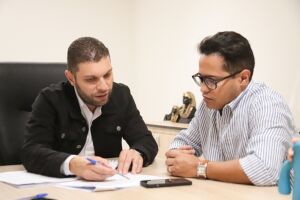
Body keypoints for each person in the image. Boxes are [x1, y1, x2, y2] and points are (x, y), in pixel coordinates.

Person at [165, 31, 295, 186]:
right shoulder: (209, 105)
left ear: (243, 78)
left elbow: (264, 168)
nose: (203, 89)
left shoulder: (268, 104)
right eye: (201, 78)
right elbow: (183, 141)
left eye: (211, 80)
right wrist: (178, 156)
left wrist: (200, 168)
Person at [22, 37, 158, 180]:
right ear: (71, 78)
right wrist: (72, 164)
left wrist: (138, 153)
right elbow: (31, 151)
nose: (104, 87)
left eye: (107, 75)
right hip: (61, 188)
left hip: (110, 186)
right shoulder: (50, 99)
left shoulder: (121, 95)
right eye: (91, 79)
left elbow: (146, 140)